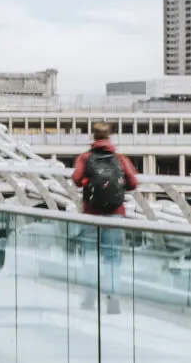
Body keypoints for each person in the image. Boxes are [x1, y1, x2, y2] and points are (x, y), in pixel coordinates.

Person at [71, 123, 138, 315]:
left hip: (91, 214)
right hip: (115, 214)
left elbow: (76, 179)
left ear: (93, 136)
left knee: (90, 257)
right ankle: (113, 300)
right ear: (110, 137)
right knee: (111, 258)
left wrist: (88, 181)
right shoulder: (119, 159)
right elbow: (133, 183)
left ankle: (90, 298)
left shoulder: (85, 158)